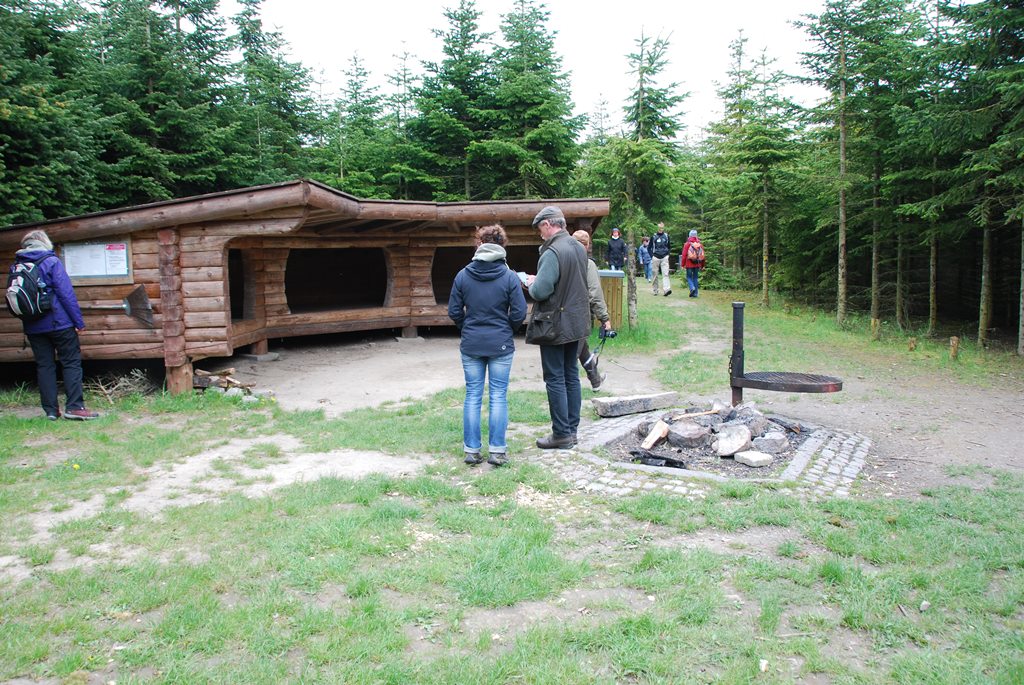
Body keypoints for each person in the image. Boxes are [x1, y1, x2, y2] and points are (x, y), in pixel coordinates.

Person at [448, 224, 527, 466]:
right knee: (498, 396)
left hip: (471, 343)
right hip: (500, 344)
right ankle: (497, 451)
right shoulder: (509, 276)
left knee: (472, 395)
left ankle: (471, 451)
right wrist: (507, 330)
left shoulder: (463, 274)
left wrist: (467, 328)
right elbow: (520, 312)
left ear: (479, 244)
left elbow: (454, 311)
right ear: (502, 245)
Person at [10, 230, 99, 420]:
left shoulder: (17, 265)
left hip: (33, 326)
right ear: (44, 243)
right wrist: (78, 322)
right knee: (71, 363)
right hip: (60, 323)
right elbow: (66, 294)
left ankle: (50, 410)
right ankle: (74, 407)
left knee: (44, 366)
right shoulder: (51, 262)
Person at [523, 206, 591, 450]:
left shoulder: (552, 251)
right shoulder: (577, 247)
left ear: (549, 225)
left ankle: (561, 434)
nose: (540, 234)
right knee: (571, 374)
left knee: (555, 378)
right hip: (576, 321)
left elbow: (542, 290)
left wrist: (530, 283)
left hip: (554, 324)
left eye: (541, 228)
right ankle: (572, 431)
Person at [571, 230, 613, 390]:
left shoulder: (562, 261)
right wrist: (604, 318)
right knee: (572, 355)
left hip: (561, 315)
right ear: (587, 245)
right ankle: (566, 390)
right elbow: (594, 293)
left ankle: (595, 380)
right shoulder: (588, 264)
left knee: (582, 349)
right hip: (580, 315)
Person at [681, 229, 706, 297]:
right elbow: (703, 255)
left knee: (689, 277)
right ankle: (696, 294)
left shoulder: (687, 244)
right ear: (696, 236)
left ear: (689, 236)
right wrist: (703, 265)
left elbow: (684, 255)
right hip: (697, 264)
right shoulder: (699, 244)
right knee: (695, 278)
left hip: (689, 264)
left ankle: (692, 288)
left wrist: (683, 265)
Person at [649, 222, 672, 296]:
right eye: (659, 228)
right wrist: (652, 256)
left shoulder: (666, 236)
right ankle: (655, 290)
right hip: (655, 257)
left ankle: (666, 290)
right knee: (655, 274)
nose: (660, 229)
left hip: (664, 257)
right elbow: (649, 248)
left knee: (665, 274)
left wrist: (667, 255)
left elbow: (669, 247)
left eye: (662, 228)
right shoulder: (653, 236)